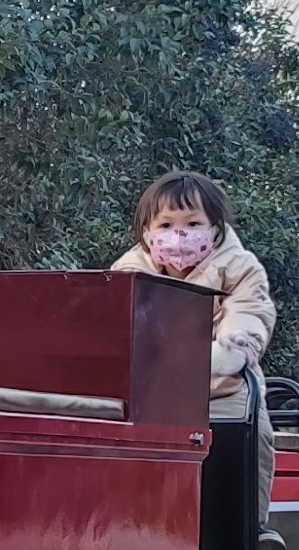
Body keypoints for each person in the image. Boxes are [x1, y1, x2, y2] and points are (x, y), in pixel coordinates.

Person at [111, 170, 276, 412]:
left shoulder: (241, 269)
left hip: (222, 392)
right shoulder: (126, 275)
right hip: (147, 391)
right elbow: (113, 328)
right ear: (147, 232)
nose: (179, 234)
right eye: (166, 224)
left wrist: (235, 344)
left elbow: (248, 310)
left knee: (249, 436)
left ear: (215, 228)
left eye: (193, 224)